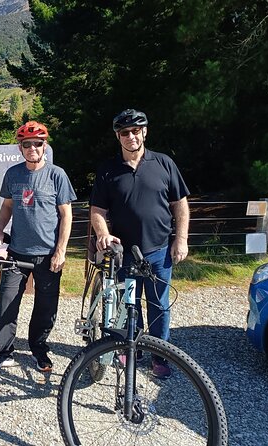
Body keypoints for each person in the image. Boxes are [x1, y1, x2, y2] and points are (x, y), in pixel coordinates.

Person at [90, 108, 190, 379]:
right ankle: (132, 350)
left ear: (144, 132)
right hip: (124, 254)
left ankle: (161, 356)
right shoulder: (108, 170)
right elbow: (97, 211)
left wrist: (181, 239)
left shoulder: (164, 163)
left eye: (136, 130)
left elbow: (180, 205)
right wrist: (102, 233)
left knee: (159, 305)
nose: (131, 136)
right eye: (125, 132)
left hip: (159, 251)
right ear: (117, 136)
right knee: (127, 305)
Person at [0, 121, 76, 373]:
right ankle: (2, 352)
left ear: (44, 146)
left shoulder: (57, 175)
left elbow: (66, 215)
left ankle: (39, 349)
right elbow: (7, 206)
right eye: (27, 144)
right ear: (20, 147)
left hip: (48, 255)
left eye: (37, 143)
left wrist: (61, 250)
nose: (32, 148)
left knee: (46, 308)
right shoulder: (13, 174)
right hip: (17, 252)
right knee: (6, 303)